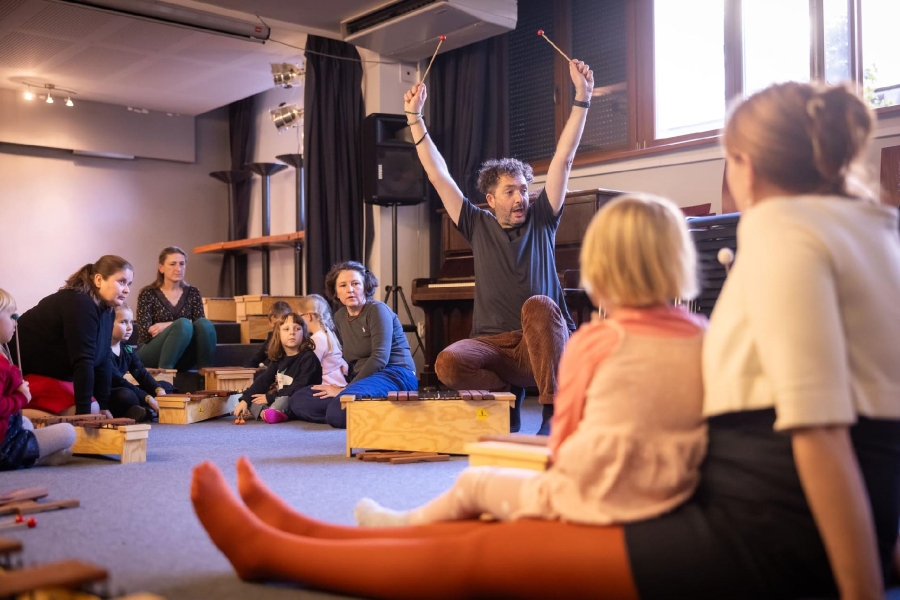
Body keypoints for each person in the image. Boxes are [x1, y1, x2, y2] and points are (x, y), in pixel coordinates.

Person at [189, 81, 900, 599]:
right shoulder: (874, 232)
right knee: (484, 481)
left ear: (746, 162)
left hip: (754, 528)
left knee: (485, 554)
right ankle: (303, 531)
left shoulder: (785, 238)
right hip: (748, 497)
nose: (521, 193)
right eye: (511, 187)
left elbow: (821, 435)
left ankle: (276, 548)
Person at [354, 194, 707, 528]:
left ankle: (403, 525)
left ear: (600, 268)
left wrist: (515, 456)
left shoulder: (595, 343)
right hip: (676, 492)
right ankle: (512, 398)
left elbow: (564, 448)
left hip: (598, 498)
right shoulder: (705, 336)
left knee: (476, 483)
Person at [404, 59, 594, 435]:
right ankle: (506, 394)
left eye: (524, 189)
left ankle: (553, 413)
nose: (521, 198)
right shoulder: (476, 223)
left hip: (540, 343)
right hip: (493, 344)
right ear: (490, 199)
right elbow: (437, 175)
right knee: (446, 364)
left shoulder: (543, 218)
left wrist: (582, 98)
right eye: (511, 191)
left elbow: (565, 158)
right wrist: (415, 118)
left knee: (539, 305)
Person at [287, 262, 417, 430]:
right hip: (362, 379)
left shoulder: (378, 310)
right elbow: (346, 359)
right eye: (343, 285)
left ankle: (346, 410)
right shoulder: (340, 317)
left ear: (365, 287)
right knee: (299, 400)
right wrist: (341, 386)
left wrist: (346, 389)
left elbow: (379, 358)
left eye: (355, 283)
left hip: (395, 374)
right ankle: (362, 409)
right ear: (336, 292)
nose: (350, 289)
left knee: (338, 410)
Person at [12, 255, 133, 416]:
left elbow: (103, 359)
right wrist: (83, 414)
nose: (127, 290)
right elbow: (83, 360)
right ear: (98, 280)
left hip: (55, 376)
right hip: (25, 377)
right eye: (121, 282)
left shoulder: (107, 310)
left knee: (97, 408)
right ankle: (15, 415)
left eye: (129, 284)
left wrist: (104, 406)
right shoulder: (79, 303)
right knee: (89, 409)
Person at [1, 288, 77, 470]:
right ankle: (32, 458)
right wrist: (21, 397)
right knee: (67, 432)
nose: (16, 323)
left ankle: (33, 454)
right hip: (4, 447)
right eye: (12, 317)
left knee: (25, 422)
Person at [268, 294, 348, 424]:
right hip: (338, 384)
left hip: (325, 388)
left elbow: (304, 371)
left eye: (300, 317)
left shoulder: (316, 340)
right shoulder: (329, 333)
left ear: (309, 316)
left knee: (295, 398)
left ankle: (286, 413)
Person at [135, 247, 216, 370]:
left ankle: (205, 375)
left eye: (182, 264)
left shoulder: (193, 292)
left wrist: (166, 325)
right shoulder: (147, 293)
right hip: (151, 351)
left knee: (205, 324)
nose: (178, 269)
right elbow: (147, 333)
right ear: (161, 267)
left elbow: (199, 330)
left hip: (183, 352)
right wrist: (178, 326)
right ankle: (165, 376)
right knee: (184, 324)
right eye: (172, 264)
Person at [232, 312, 321, 423]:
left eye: (297, 329)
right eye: (286, 329)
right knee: (254, 399)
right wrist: (245, 400)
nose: (292, 333)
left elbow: (300, 387)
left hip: (299, 398)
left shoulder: (309, 358)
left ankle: (271, 412)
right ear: (278, 333)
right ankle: (266, 413)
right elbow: (263, 381)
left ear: (304, 333)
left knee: (285, 400)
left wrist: (269, 398)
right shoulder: (279, 358)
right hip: (279, 397)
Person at [109, 304, 174, 423]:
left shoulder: (127, 348)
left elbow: (141, 373)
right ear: (107, 324)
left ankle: (142, 411)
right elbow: (119, 381)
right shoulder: (102, 350)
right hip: (110, 394)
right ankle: (145, 409)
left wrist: (158, 390)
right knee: (126, 395)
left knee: (166, 386)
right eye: (123, 322)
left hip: (126, 389)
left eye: (131, 322)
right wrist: (147, 398)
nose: (129, 328)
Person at [244, 300, 293, 368]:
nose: (278, 328)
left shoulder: (294, 338)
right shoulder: (271, 339)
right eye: (275, 324)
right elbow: (255, 360)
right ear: (270, 323)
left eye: (282, 324)